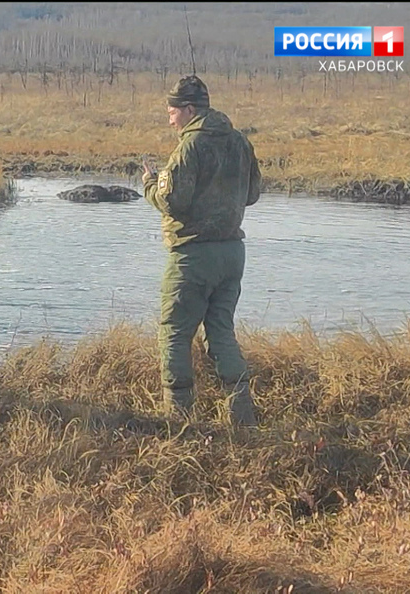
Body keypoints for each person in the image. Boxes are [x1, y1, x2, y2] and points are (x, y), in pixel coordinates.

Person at [141, 75, 262, 426]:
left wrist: (150, 183)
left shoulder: (189, 146)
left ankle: (179, 421)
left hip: (193, 256)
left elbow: (172, 202)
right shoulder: (240, 141)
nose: (170, 120)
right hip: (232, 254)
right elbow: (252, 195)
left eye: (172, 112)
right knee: (221, 332)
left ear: (189, 110)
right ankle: (242, 418)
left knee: (174, 333)